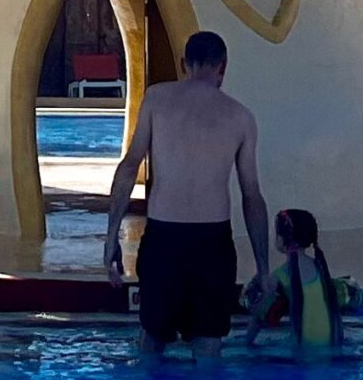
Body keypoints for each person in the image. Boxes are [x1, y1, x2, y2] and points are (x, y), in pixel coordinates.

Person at [102, 29, 270, 360]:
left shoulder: (156, 99)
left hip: (164, 237)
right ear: (223, 67)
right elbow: (252, 196)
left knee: (151, 343)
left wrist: (111, 237)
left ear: (184, 64)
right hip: (213, 242)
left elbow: (128, 167)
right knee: (208, 347)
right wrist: (263, 268)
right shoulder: (241, 117)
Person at [250, 207, 349, 358]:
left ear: (282, 239)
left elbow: (259, 314)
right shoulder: (320, 268)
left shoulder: (280, 275)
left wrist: (246, 342)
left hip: (303, 352)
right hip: (333, 347)